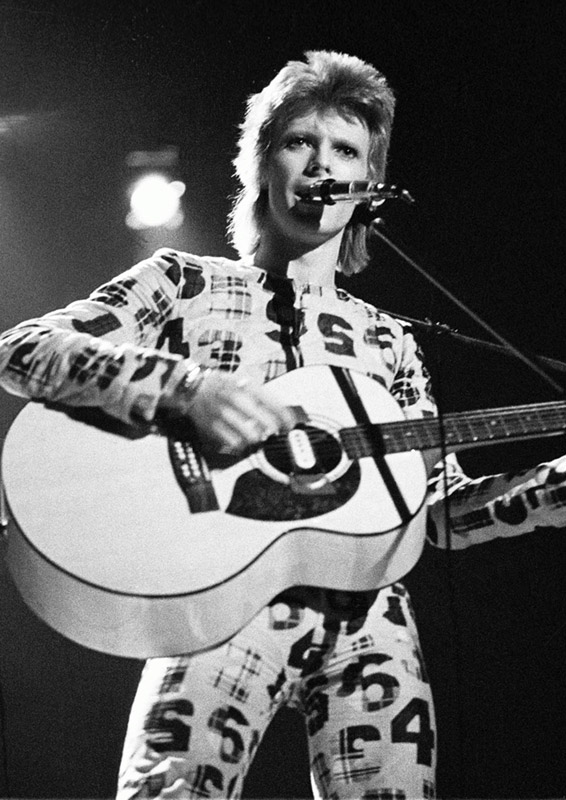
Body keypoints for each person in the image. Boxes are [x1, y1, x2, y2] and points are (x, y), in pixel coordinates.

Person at [1, 49, 565, 800]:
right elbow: (23, 348)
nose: (319, 164)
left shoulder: (390, 342)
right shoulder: (184, 282)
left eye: (345, 150)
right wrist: (182, 389)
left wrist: (557, 486)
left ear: (368, 185)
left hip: (369, 618)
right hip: (212, 600)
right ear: (262, 160)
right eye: (300, 142)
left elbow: (437, 511)